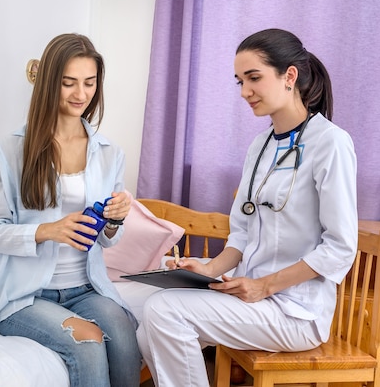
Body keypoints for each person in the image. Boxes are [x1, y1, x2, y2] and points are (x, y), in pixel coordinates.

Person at [136, 28, 358, 386]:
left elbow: (340, 249)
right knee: (147, 326)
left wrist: (265, 286)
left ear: (289, 76)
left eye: (254, 78)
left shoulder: (331, 143)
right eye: (239, 81)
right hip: (252, 298)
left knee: (164, 313)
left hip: (297, 312)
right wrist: (207, 270)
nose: (244, 92)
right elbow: (241, 233)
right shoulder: (260, 146)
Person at [0, 33, 141, 387]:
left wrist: (115, 221)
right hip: (25, 293)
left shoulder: (109, 153)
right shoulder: (12, 150)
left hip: (85, 287)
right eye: (69, 83)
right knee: (88, 343)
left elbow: (109, 240)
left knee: (124, 334)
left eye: (89, 83)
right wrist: (47, 230)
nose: (81, 94)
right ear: (49, 83)